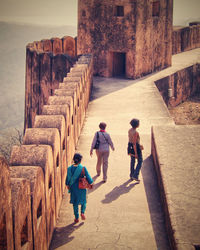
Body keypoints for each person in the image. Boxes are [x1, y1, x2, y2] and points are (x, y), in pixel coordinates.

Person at [65, 153, 93, 223]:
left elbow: (67, 179)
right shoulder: (83, 168)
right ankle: (82, 213)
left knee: (75, 203)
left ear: (73, 160)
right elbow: (88, 177)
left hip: (73, 188)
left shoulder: (69, 169)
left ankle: (76, 217)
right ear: (80, 160)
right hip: (82, 187)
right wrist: (91, 183)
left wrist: (68, 185)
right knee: (83, 200)